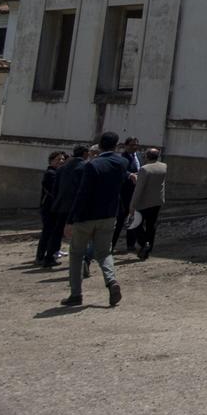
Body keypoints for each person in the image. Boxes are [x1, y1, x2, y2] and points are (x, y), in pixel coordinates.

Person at [63, 131, 134, 308]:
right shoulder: (122, 163)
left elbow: (82, 193)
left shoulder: (93, 165)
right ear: (116, 146)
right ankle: (111, 281)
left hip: (86, 216)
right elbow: (123, 178)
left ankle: (76, 294)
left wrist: (70, 219)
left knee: (77, 253)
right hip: (109, 215)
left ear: (100, 145)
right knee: (104, 252)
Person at [127, 148, 167, 259]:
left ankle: (144, 244)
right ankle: (148, 248)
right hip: (157, 201)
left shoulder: (144, 169)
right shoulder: (163, 166)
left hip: (143, 202)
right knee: (151, 225)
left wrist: (132, 205)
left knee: (135, 224)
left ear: (147, 157)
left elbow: (139, 189)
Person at [34, 151, 69, 267]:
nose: (61, 161)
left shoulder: (58, 173)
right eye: (58, 159)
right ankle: (40, 256)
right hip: (49, 208)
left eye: (63, 159)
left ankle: (50, 255)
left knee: (52, 232)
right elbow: (55, 191)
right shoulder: (51, 173)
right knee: (47, 233)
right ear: (51, 161)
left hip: (55, 208)